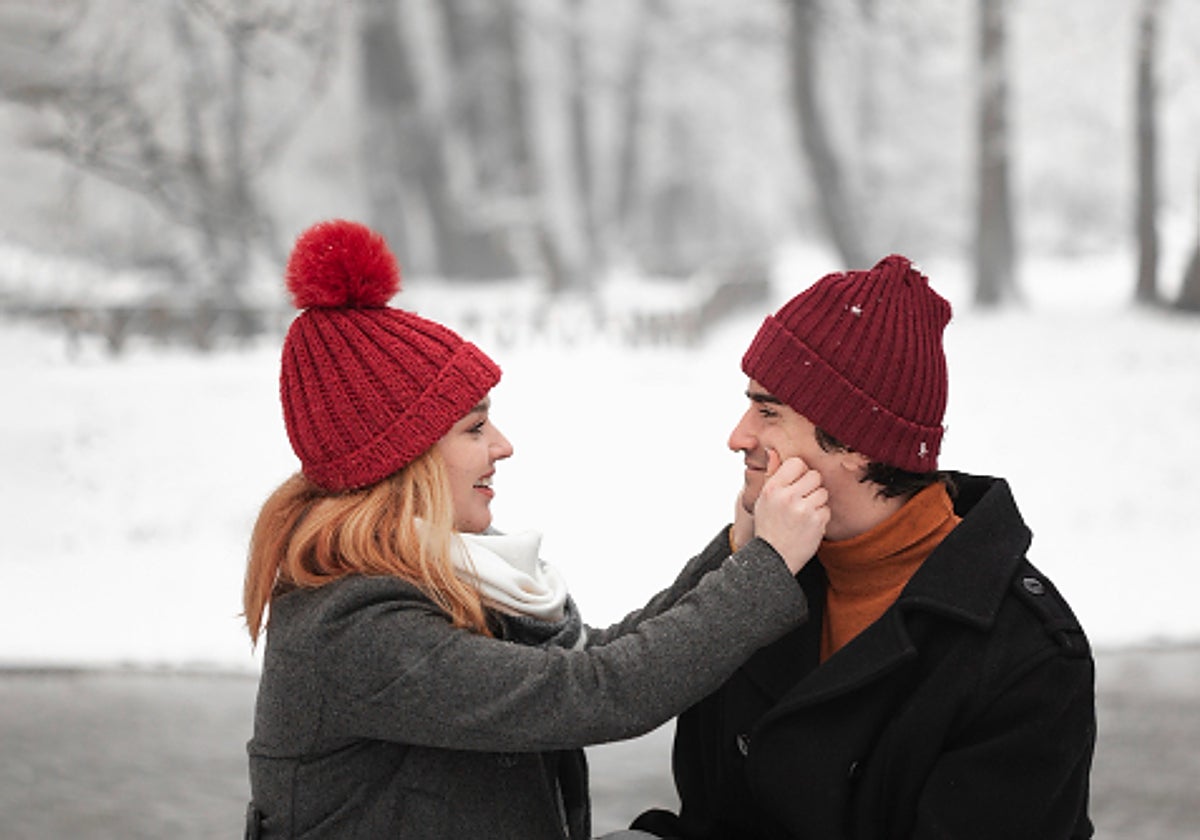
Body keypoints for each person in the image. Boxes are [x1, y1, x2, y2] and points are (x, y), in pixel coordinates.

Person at [242, 219, 831, 839]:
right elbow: (599, 692)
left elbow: (596, 656)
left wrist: (736, 554)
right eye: (474, 429)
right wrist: (765, 569)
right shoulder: (357, 632)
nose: (502, 446)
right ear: (403, 460)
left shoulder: (443, 581)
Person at [631, 255, 1096, 840]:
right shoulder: (763, 583)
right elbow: (710, 815)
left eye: (768, 411)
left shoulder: (1025, 656)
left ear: (854, 442)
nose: (738, 436)